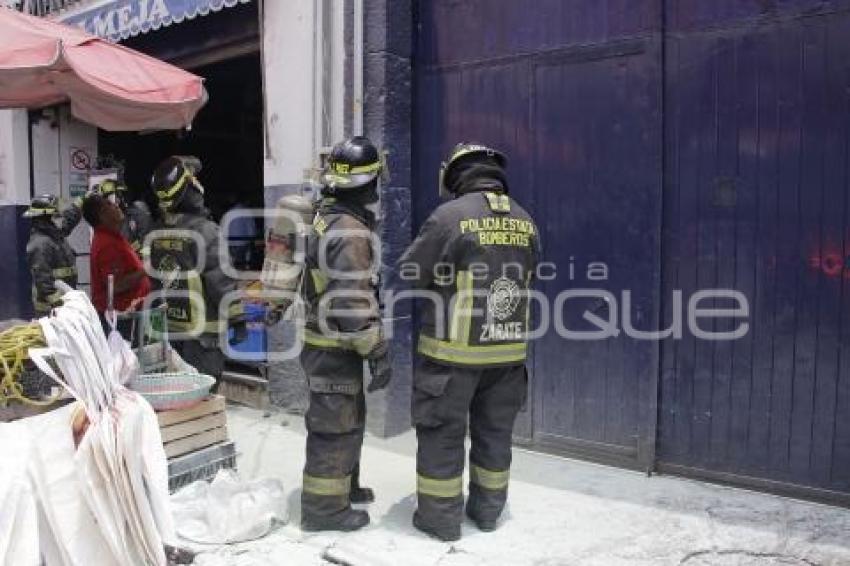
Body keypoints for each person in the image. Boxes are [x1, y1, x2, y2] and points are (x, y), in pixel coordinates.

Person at [398, 143, 540, 541]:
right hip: (508, 359)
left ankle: (440, 522)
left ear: (457, 174)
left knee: (442, 436)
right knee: (495, 437)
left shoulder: (449, 217)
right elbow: (534, 273)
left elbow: (411, 271)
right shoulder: (526, 220)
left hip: (450, 360)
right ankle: (488, 513)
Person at [299, 136, 392, 532]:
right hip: (335, 347)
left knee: (348, 420)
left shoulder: (327, 215)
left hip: (329, 344)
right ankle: (324, 510)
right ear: (368, 184)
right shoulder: (349, 229)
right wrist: (378, 350)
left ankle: (345, 488)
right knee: (333, 428)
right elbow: (352, 301)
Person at [149, 156, 245, 383]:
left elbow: (154, 284)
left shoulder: (156, 233)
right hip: (202, 338)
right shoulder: (205, 231)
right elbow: (221, 281)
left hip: (170, 333)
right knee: (201, 400)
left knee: (175, 397)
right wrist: (238, 318)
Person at [83, 193, 151, 337]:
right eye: (110, 205)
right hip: (120, 323)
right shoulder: (107, 245)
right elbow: (116, 285)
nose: (116, 206)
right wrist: (146, 270)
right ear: (102, 215)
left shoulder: (113, 237)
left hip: (127, 318)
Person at [24, 194, 82, 317]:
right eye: (54, 214)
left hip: (63, 304)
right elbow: (43, 281)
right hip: (50, 309)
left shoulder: (53, 234)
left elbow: (68, 223)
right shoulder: (40, 243)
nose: (56, 217)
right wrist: (59, 303)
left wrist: (79, 203)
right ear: (46, 215)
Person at [90, 179, 153, 256]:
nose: (114, 203)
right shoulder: (104, 224)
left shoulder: (138, 211)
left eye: (116, 197)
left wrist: (129, 248)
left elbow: (145, 238)